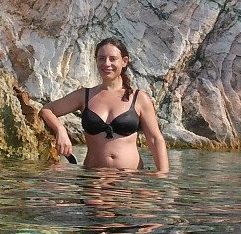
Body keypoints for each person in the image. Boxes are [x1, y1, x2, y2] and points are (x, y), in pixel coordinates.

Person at [40, 38, 170, 174]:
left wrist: (163, 175)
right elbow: (47, 110)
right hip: (93, 179)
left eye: (113, 59)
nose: (107, 64)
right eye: (102, 58)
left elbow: (155, 139)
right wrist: (60, 130)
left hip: (129, 181)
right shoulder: (84, 95)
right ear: (96, 60)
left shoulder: (139, 98)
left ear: (124, 61)